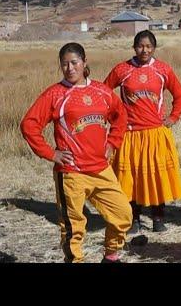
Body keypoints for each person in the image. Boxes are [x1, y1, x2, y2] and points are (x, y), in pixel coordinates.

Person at [20, 43, 131, 263]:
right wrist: (51, 154)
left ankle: (110, 255)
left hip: (101, 169)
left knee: (123, 215)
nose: (70, 68)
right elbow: (29, 125)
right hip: (71, 173)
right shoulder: (55, 94)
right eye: (64, 64)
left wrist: (112, 143)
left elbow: (120, 115)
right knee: (73, 228)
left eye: (74, 62)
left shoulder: (101, 91)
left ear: (84, 62)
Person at [104, 30, 181, 233]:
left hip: (155, 133)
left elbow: (180, 94)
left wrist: (173, 118)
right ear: (134, 47)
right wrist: (113, 118)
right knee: (131, 179)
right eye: (140, 46)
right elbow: (104, 93)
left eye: (149, 46)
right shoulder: (122, 69)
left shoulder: (162, 70)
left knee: (156, 177)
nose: (144, 50)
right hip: (129, 134)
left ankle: (158, 218)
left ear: (154, 48)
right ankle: (134, 219)